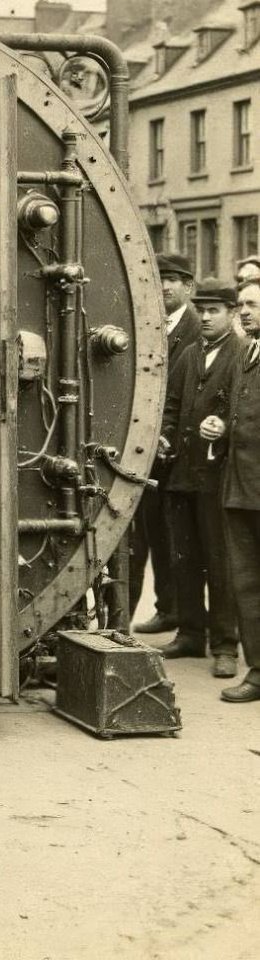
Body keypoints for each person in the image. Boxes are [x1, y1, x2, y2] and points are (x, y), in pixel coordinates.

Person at [157, 279, 243, 677]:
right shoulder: (190, 354)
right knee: (184, 556)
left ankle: (225, 644)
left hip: (218, 477)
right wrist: (163, 435)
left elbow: (245, 412)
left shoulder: (242, 355)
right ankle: (191, 632)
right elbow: (171, 406)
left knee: (219, 560)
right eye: (203, 310)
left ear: (231, 314)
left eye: (215, 311)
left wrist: (223, 427)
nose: (205, 317)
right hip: (181, 472)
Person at [131, 253, 202, 633]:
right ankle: (166, 607)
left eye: (173, 279)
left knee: (175, 536)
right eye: (159, 278)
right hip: (147, 445)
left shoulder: (195, 329)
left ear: (189, 288)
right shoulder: (148, 323)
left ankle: (179, 613)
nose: (164, 285)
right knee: (150, 531)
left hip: (177, 450)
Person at [200, 280, 260, 703]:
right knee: (248, 584)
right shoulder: (248, 353)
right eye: (241, 304)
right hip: (240, 486)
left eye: (253, 304)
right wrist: (220, 427)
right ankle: (258, 671)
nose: (244, 311)